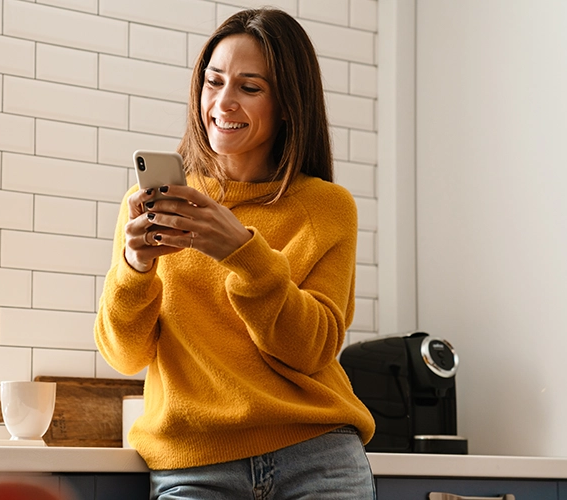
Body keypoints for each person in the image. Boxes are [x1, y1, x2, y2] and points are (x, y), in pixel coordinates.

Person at [95, 7, 376, 499]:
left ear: (288, 103)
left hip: (317, 455)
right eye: (213, 82)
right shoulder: (150, 204)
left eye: (250, 87)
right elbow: (124, 353)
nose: (222, 102)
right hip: (195, 465)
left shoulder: (328, 208)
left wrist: (244, 254)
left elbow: (310, 350)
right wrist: (136, 267)